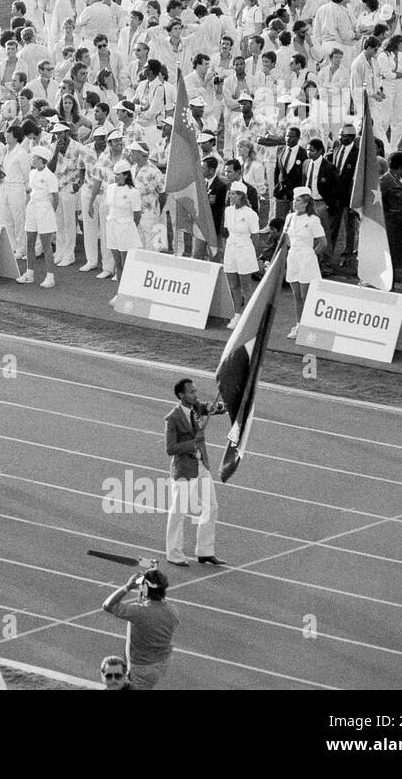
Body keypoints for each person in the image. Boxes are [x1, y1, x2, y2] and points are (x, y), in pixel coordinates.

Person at [164, 376, 226, 569]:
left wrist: (222, 406)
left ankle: (205, 551)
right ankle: (174, 553)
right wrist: (193, 443)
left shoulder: (197, 409)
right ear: (181, 395)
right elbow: (170, 448)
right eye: (191, 392)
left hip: (201, 467)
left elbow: (211, 408)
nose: (195, 394)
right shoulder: (172, 418)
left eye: (195, 391)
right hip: (184, 469)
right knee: (179, 512)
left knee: (212, 507)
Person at [101, 567, 178, 690]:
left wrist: (128, 586)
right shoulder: (172, 610)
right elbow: (154, 607)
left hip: (142, 668)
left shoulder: (138, 612)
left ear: (145, 589)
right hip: (162, 662)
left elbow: (107, 605)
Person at [285, 187, 328, 339]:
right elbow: (286, 238)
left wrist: (310, 254)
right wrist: (294, 250)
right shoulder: (289, 217)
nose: (294, 202)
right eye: (294, 199)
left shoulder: (313, 220)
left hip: (307, 259)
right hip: (293, 258)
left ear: (305, 203)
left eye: (297, 200)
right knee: (296, 295)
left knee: (306, 295)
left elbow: (323, 243)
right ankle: (299, 325)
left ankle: (312, 326)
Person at [16, 145, 59, 288]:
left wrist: (50, 212)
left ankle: (50, 277)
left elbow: (55, 197)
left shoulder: (50, 176)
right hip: (32, 209)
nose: (32, 159)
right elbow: (30, 190)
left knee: (46, 245)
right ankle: (29, 274)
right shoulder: (32, 173)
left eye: (34, 157)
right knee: (30, 242)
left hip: (45, 209)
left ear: (41, 160)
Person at [222, 183, 261, 328]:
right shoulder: (228, 211)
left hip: (245, 250)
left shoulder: (251, 214)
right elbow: (227, 231)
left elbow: (255, 236)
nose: (230, 196)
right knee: (233, 284)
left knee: (246, 285)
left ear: (241, 196)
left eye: (233, 194)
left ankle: (249, 316)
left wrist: (253, 255)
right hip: (231, 248)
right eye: (230, 193)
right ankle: (237, 314)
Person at [103, 158, 143, 281]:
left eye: (118, 174)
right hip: (112, 227)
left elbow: (137, 214)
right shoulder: (110, 188)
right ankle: (119, 294)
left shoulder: (133, 192)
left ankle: (129, 292)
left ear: (126, 175)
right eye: (114, 174)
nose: (115, 177)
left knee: (126, 264)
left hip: (126, 228)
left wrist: (130, 228)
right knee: (118, 264)